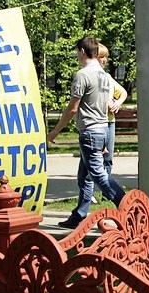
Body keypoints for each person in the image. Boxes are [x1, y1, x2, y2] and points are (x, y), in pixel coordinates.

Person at [47, 36, 126, 228]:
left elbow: (72, 108)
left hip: (90, 131)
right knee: (84, 176)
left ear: (82, 51)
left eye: (77, 52)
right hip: (103, 129)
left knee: (98, 175)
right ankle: (79, 216)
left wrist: (55, 131)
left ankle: (127, 206)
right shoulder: (104, 75)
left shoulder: (82, 75)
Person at [97, 44, 128, 203]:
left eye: (105, 57)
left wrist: (117, 103)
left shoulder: (108, 77)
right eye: (101, 57)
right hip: (97, 123)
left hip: (110, 123)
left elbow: (123, 92)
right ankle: (90, 193)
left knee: (108, 158)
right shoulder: (91, 76)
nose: (104, 60)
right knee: (94, 161)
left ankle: (107, 193)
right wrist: (106, 104)